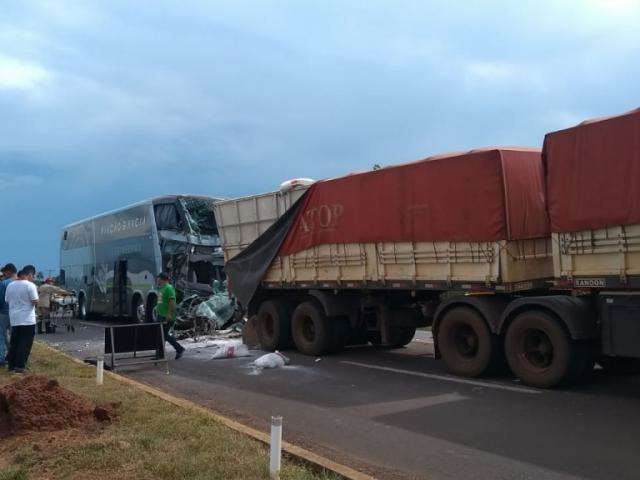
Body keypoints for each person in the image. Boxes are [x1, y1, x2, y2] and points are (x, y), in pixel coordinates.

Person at [5, 265, 39, 373]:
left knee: (14, 342)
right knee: (25, 343)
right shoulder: (30, 285)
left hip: (14, 318)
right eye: (32, 276)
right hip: (27, 319)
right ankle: (20, 366)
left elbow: (7, 300)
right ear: (29, 274)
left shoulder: (10, 285)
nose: (33, 278)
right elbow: (35, 301)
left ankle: (11, 365)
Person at [154, 272, 185, 359]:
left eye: (158, 278)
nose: (157, 280)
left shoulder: (169, 288)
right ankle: (160, 354)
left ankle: (179, 348)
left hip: (166, 316)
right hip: (160, 315)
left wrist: (169, 314)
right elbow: (161, 301)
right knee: (160, 335)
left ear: (163, 279)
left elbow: (172, 302)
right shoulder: (161, 288)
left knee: (163, 334)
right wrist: (156, 308)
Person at [0, 263, 18, 367]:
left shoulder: (3, 284)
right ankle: (15, 358)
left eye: (4, 273)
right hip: (17, 315)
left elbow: (1, 299)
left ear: (8, 272)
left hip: (4, 313)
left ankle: (1, 358)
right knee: (15, 337)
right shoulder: (23, 283)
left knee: (1, 336)